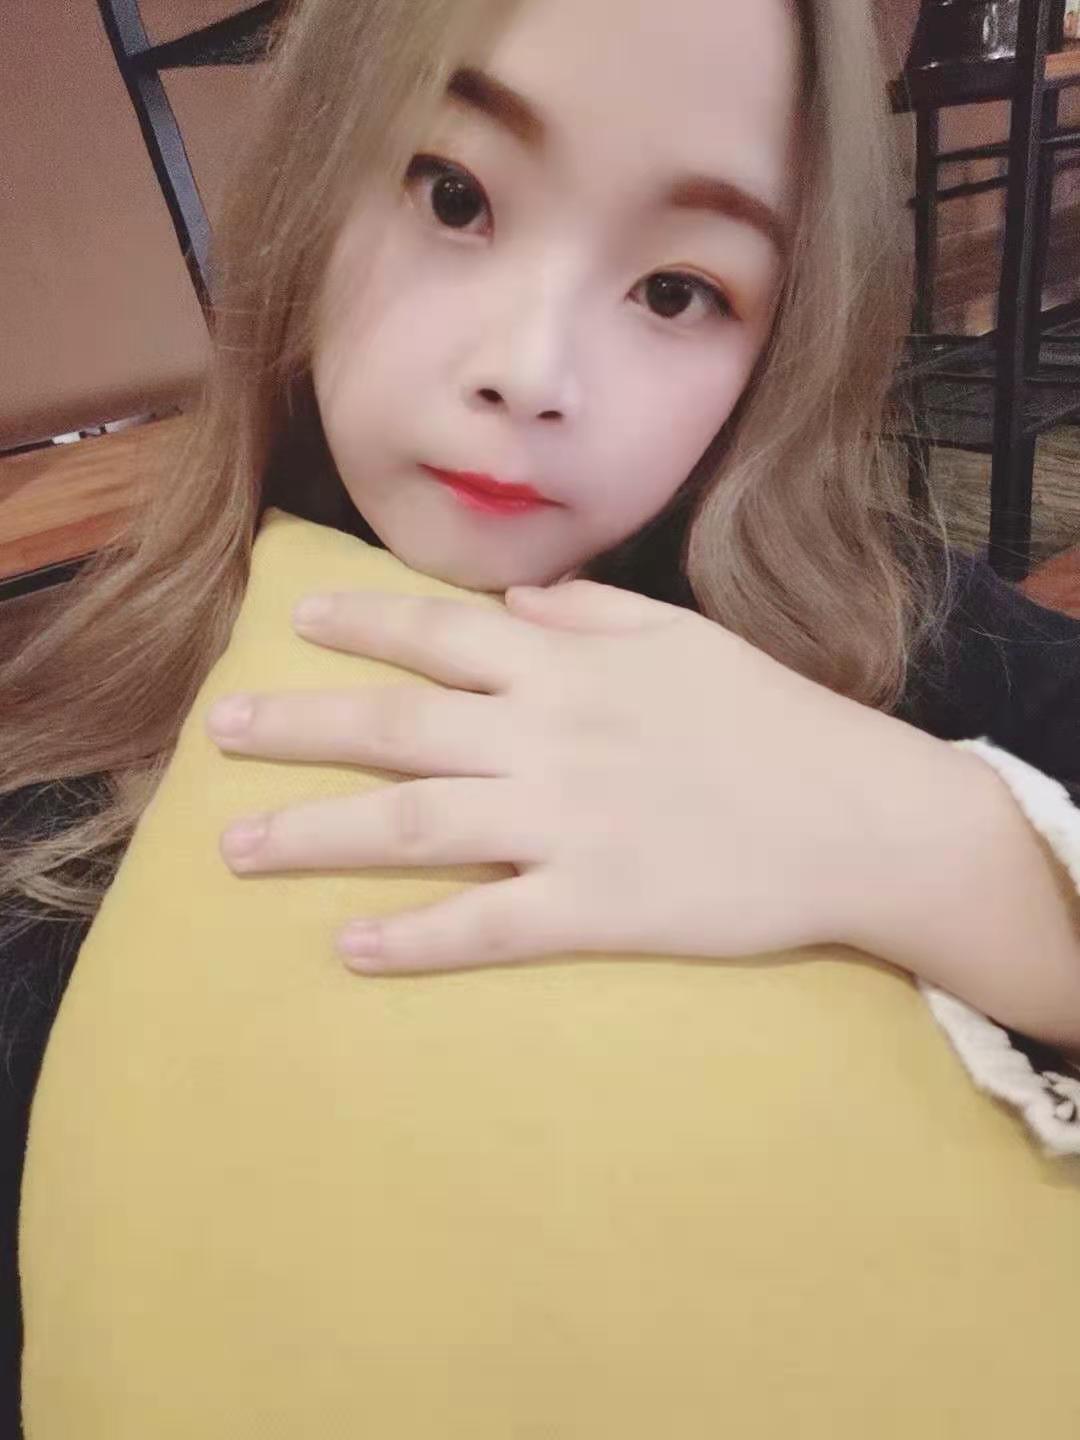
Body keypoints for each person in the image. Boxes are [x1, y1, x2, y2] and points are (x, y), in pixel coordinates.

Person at [3, 0, 1080, 1428]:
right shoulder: (54, 826)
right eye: (455, 197)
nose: (533, 369)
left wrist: (952, 848)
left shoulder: (894, 620)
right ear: (312, 185)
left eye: (678, 289)